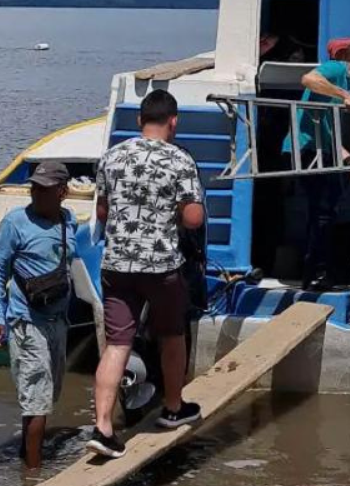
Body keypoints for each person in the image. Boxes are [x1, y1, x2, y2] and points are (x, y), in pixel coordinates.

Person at [85, 89, 206, 459]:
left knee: (118, 344)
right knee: (171, 335)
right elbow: (193, 218)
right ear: (173, 122)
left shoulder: (111, 157)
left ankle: (103, 427)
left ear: (139, 121)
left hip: (116, 266)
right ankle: (173, 408)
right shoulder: (180, 160)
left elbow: (102, 212)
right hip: (161, 266)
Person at [0, 161, 78, 470]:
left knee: (48, 394)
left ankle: (27, 455)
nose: (36, 193)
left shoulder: (68, 220)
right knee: (37, 399)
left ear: (62, 192)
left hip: (57, 321)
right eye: (33, 187)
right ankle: (33, 473)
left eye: (44, 189)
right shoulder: (15, 223)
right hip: (26, 322)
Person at [282, 37, 350, 289]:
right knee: (323, 211)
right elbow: (308, 79)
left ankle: (319, 272)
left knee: (326, 209)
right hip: (306, 148)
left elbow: (325, 129)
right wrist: (345, 95)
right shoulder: (337, 69)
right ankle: (316, 275)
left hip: (321, 148)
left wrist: (348, 158)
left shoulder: (344, 81)